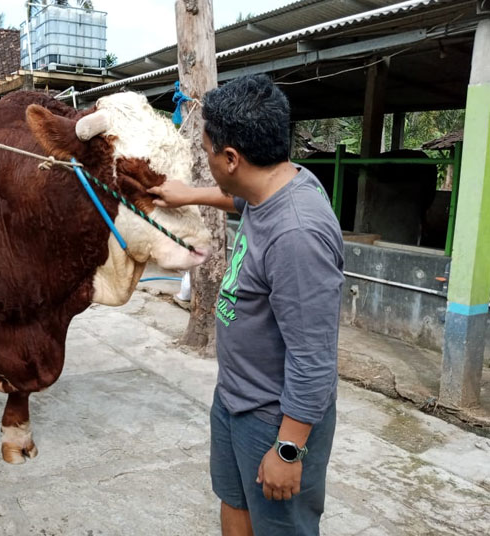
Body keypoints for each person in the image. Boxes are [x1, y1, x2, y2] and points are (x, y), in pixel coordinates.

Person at [148, 74, 344, 536]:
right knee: (234, 501)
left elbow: (314, 359)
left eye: (207, 152)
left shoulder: (297, 236)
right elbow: (242, 197)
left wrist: (289, 449)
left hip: (275, 417)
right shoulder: (275, 184)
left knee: (281, 527)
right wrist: (190, 193)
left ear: (231, 158)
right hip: (236, 397)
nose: (206, 160)